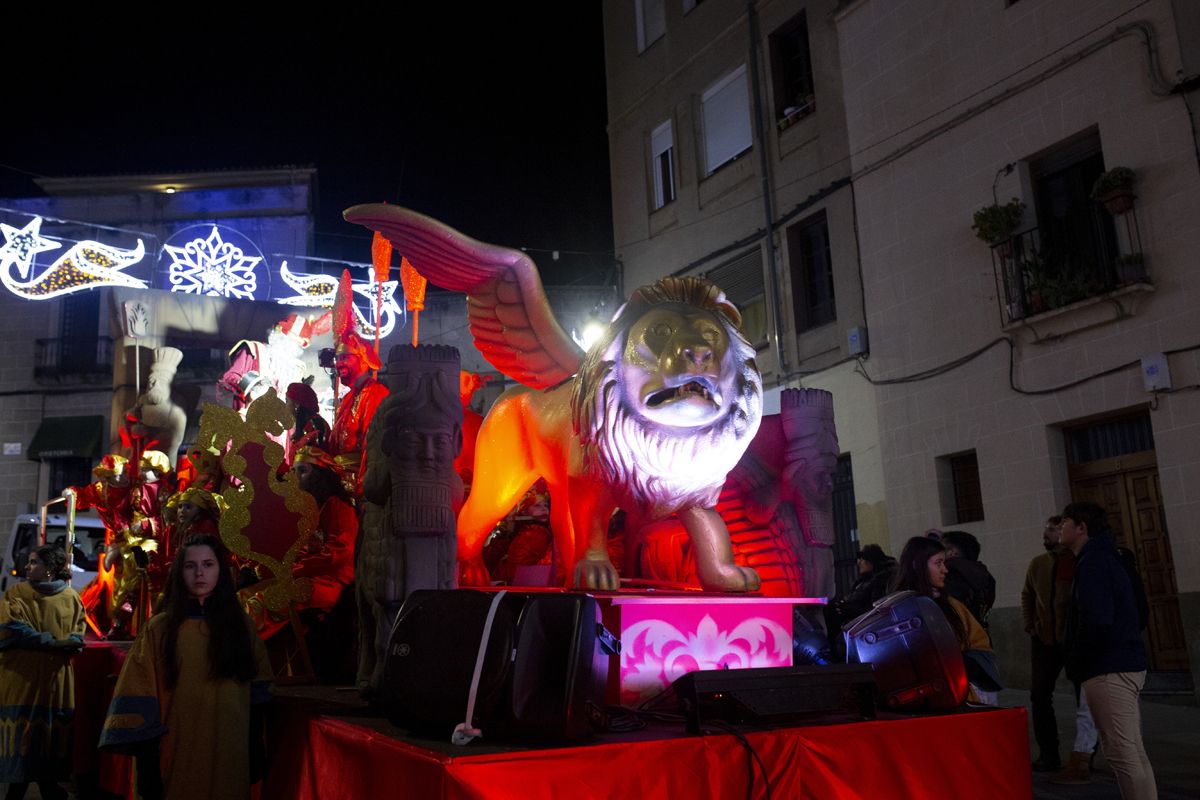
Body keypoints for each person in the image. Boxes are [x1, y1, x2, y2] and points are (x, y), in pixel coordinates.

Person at [100, 534, 272, 800]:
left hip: (229, 755)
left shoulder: (242, 628)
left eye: (208, 564)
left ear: (221, 571)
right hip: (175, 754)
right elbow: (139, 693)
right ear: (180, 572)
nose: (199, 573)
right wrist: (147, 765)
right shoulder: (160, 629)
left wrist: (254, 750)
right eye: (191, 566)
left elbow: (258, 696)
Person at [1060, 502, 1157, 800]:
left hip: (1108, 666)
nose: (1060, 528)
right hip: (1118, 661)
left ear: (1081, 528)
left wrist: (1079, 657)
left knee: (1122, 754)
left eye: (1065, 522)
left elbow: (1097, 619)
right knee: (1132, 750)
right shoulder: (1103, 557)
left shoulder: (1094, 562)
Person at [0, 545, 85, 800]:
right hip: (22, 680)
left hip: (54, 683)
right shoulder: (16, 593)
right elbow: (10, 629)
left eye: (34, 562)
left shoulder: (71, 598)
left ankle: (48, 789)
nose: (27, 567)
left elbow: (77, 633)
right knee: (23, 740)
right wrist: (52, 642)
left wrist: (71, 642)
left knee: (48, 739)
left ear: (50, 568)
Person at [894, 536, 999, 704]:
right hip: (913, 700)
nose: (945, 570)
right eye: (938, 563)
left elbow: (980, 645)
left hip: (956, 694)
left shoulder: (952, 606)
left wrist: (963, 664)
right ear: (917, 565)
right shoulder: (896, 608)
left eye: (944, 562)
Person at [1021, 515, 1076, 773]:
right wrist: (1030, 623)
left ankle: (1086, 753)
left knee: (1085, 697)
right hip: (1044, 639)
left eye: (1053, 529)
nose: (1047, 534)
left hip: (1072, 640)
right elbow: (1028, 594)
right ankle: (1049, 753)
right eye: (1046, 529)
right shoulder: (1038, 563)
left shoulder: (1074, 561)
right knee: (1040, 694)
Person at [940, 530, 996, 629]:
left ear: (952, 552)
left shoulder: (952, 577)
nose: (937, 554)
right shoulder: (984, 575)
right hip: (979, 634)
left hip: (958, 637)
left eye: (941, 549)